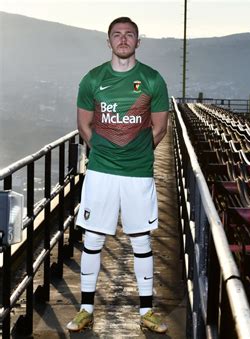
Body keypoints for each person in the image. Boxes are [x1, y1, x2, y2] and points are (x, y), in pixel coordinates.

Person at [66, 17, 169, 333]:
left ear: (138, 42)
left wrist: (136, 152)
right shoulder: (93, 79)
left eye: (129, 35)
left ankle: (147, 312)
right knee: (93, 238)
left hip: (138, 173)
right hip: (101, 172)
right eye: (117, 35)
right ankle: (85, 309)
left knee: (141, 240)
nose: (123, 39)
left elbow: (160, 126)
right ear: (108, 41)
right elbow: (84, 125)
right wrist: (106, 151)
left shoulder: (152, 79)